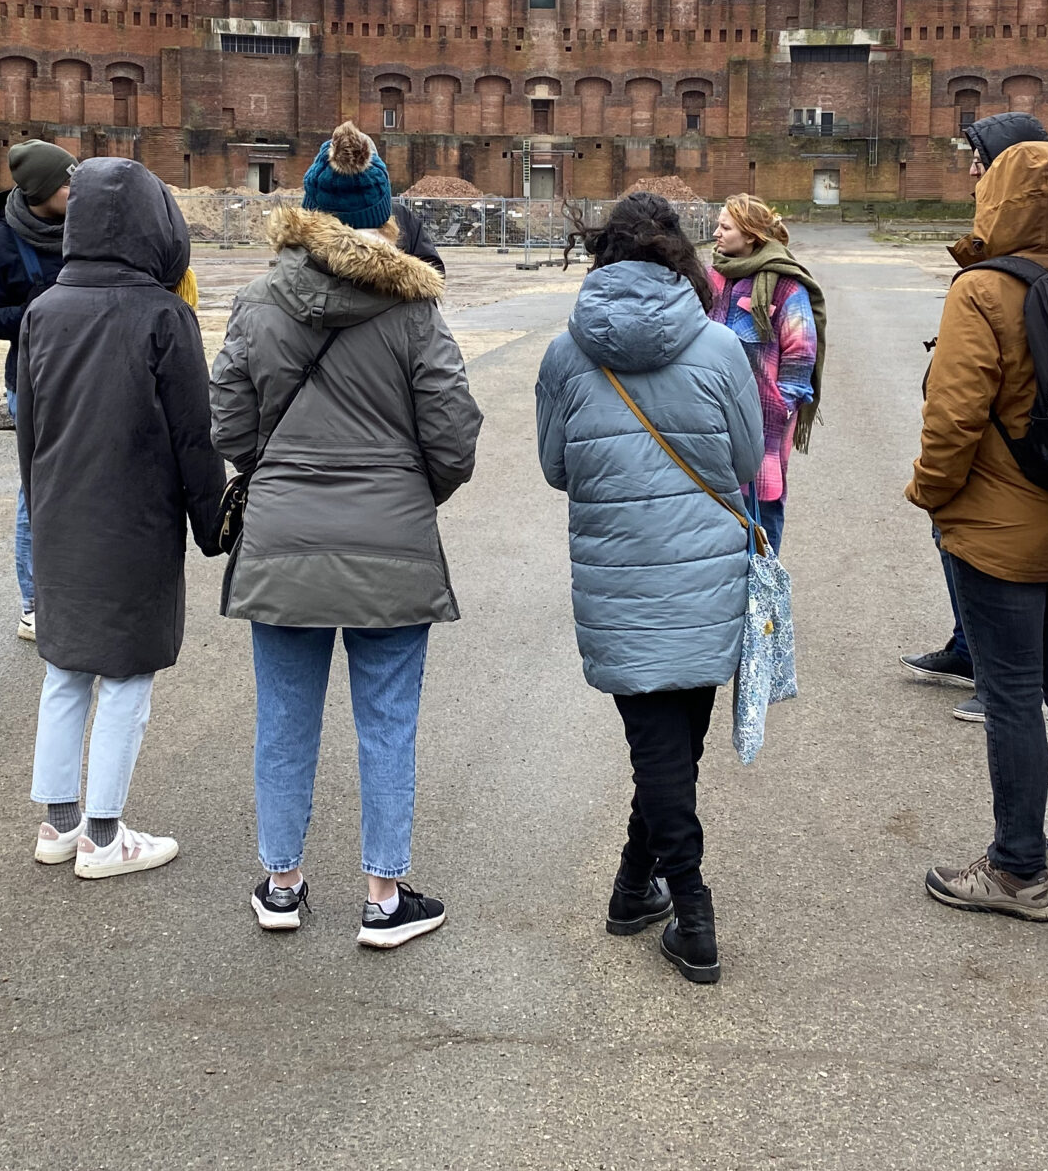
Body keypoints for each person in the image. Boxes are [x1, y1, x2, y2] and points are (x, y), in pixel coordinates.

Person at [212, 122, 481, 949]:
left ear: (308, 210)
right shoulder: (416, 308)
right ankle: (382, 895)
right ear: (384, 213)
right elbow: (454, 437)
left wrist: (281, 470)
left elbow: (228, 425)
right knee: (388, 719)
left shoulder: (259, 302)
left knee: (284, 717)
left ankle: (283, 884)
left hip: (284, 539)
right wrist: (409, 491)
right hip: (391, 540)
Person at [535, 192, 763, 986]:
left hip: (618, 575)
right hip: (705, 569)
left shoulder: (566, 354)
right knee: (672, 749)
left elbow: (556, 468)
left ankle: (637, 890)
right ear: (680, 256)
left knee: (658, 750)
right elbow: (743, 463)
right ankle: (693, 912)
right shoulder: (719, 346)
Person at [908, 140, 1048, 923]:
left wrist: (930, 494)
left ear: (998, 199)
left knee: (1010, 697)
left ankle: (1015, 870)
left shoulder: (982, 293)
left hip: (1000, 532)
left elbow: (953, 414)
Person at [14, 158, 225, 878]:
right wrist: (211, 524)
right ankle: (105, 836)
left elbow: (29, 429)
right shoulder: (165, 316)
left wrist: (39, 512)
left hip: (62, 512)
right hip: (135, 517)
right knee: (129, 674)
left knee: (66, 669)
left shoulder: (43, 310)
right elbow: (195, 438)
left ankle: (58, 823)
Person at [904, 111, 1048, 721]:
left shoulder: (1009, 268)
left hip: (1009, 448)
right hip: (1015, 441)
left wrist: (934, 483)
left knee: (984, 547)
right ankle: (971, 649)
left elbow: (965, 401)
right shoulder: (1023, 244)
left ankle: (1002, 680)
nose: (971, 170)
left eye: (981, 160)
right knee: (956, 543)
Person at [0, 139, 75, 643]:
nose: (76, 190)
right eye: (67, 182)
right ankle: (34, 603)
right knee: (37, 494)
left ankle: (75, 591)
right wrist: (34, 312)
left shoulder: (84, 226)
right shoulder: (1, 243)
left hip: (86, 375)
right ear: (41, 190)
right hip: (32, 382)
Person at [706, 193, 824, 556]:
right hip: (710, 421)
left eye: (725, 227)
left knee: (761, 526)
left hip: (762, 428)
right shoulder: (713, 275)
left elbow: (801, 354)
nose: (716, 233)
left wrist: (776, 408)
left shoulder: (785, 285)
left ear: (751, 235)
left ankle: (766, 606)